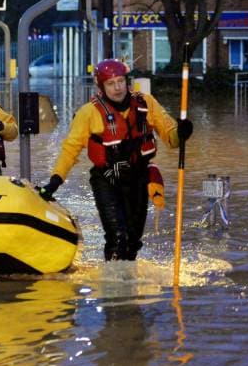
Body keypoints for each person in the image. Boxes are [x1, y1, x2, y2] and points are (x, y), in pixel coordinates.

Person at [38, 59, 194, 261]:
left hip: (138, 178)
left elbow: (171, 138)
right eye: (111, 84)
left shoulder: (147, 103)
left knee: (133, 241)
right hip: (107, 180)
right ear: (101, 86)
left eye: (120, 81)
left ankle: (128, 286)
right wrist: (55, 180)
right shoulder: (88, 113)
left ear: (127, 82)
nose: (117, 88)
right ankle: (112, 285)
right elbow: (70, 149)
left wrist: (182, 133)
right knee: (118, 238)